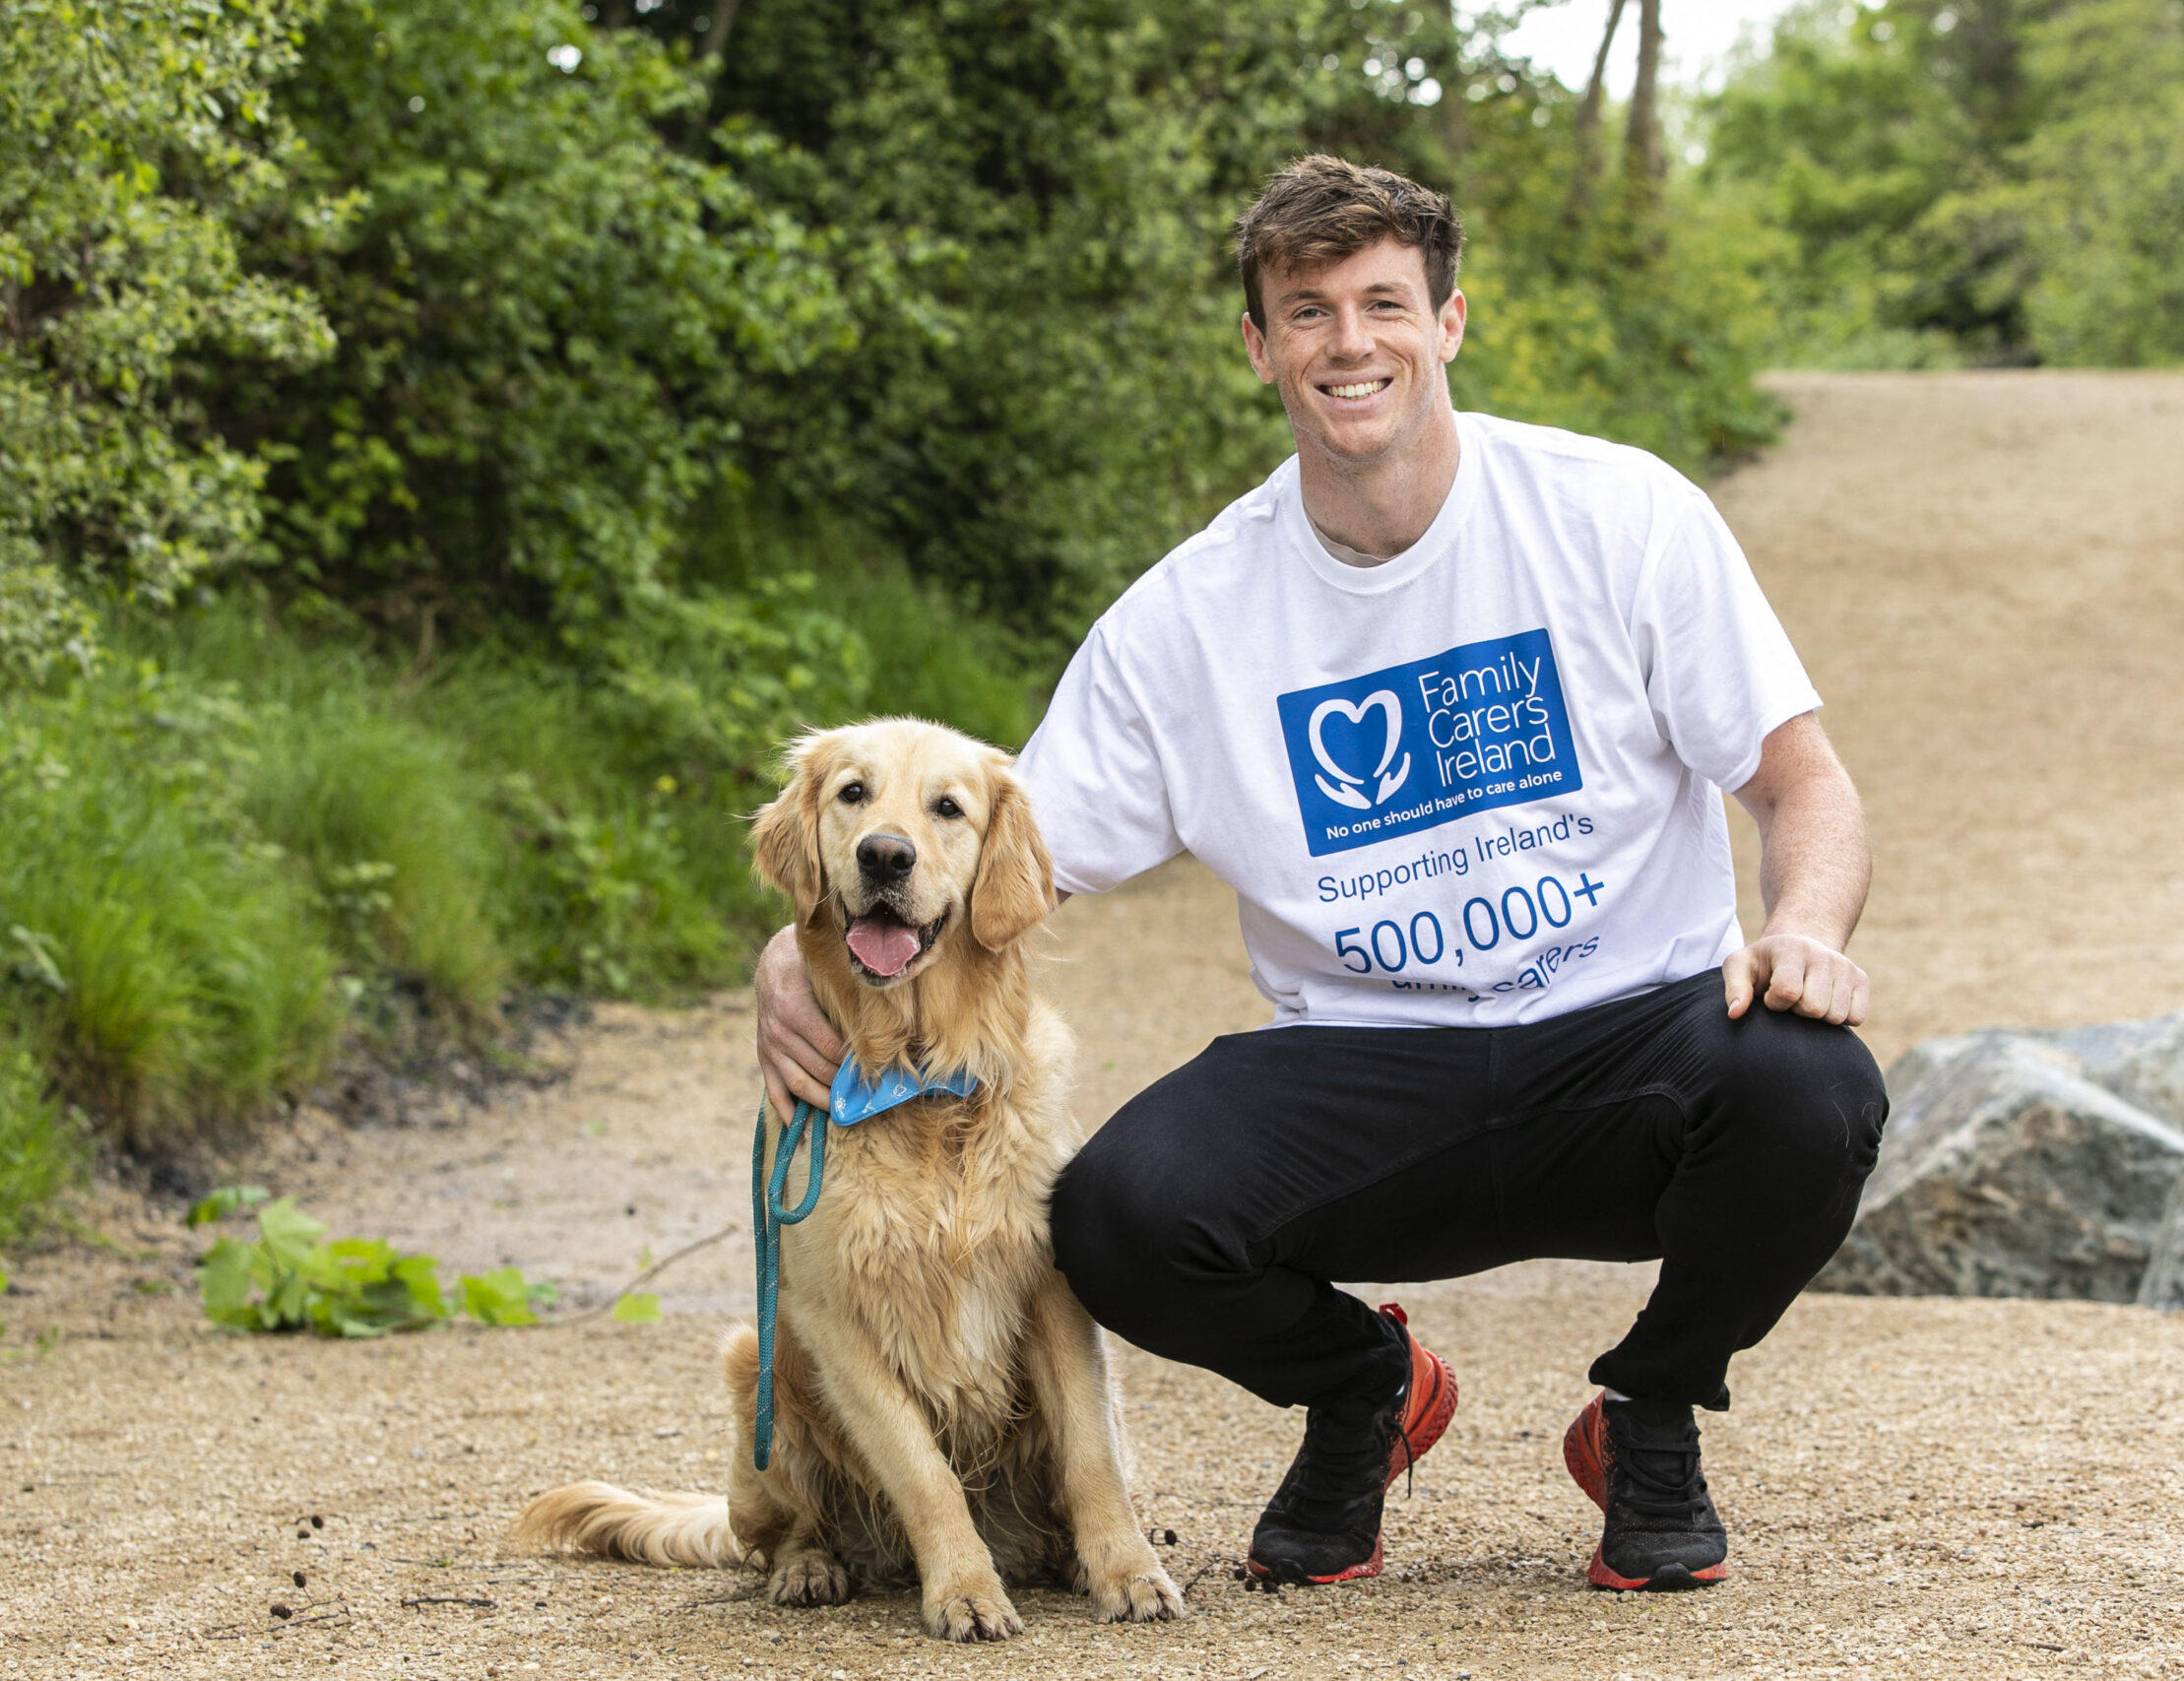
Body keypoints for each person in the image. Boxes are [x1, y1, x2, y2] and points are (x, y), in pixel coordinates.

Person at [754, 156, 1885, 1595]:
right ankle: (1363, 1392)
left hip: (1629, 1044)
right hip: (1365, 1069)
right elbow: (989, 859)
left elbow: (1804, 783)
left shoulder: (1622, 515)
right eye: (1306, 312)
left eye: (1381, 304)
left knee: (1813, 1087)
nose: (1349, 342)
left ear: (1450, 320)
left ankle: (1653, 1411)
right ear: (1259, 347)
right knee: (1113, 1215)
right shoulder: (1186, 620)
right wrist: (796, 946)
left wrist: (1803, 928)